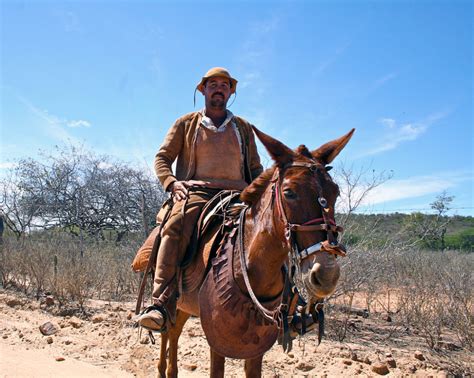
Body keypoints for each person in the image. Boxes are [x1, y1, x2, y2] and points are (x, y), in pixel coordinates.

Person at [138, 67, 263, 332]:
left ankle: (288, 304)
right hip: (197, 192)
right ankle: (160, 303)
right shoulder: (186, 123)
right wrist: (172, 183)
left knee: (273, 227)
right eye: (213, 84)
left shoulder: (243, 128)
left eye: (225, 85)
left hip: (238, 193)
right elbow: (162, 158)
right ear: (203, 90)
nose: (219, 88)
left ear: (231, 92)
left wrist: (258, 193)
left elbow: (256, 167)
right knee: (175, 225)